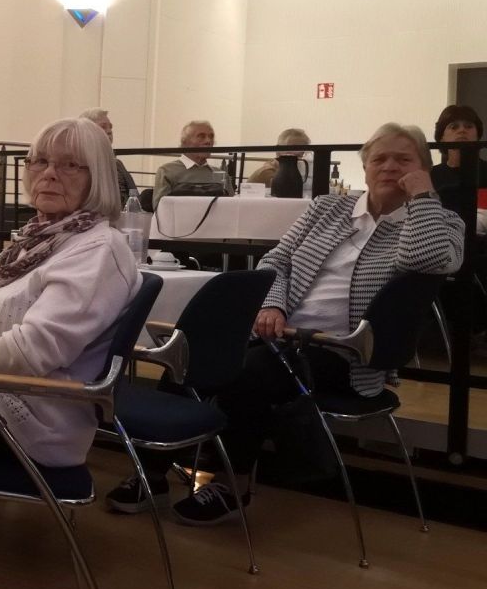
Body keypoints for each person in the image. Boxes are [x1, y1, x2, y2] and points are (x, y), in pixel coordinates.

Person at [112, 123, 464, 525]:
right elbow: (275, 261)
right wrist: (273, 306)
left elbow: (426, 259)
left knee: (250, 373)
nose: (389, 167)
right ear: (365, 167)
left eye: (403, 159)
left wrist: (422, 196)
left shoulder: (442, 222)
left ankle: (231, 485)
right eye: (379, 158)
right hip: (279, 336)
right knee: (192, 353)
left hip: (345, 352)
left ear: (423, 168)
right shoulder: (328, 208)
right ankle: (152, 474)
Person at [0, 117, 138, 469]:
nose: (49, 174)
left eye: (69, 165)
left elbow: (34, 348)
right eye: (40, 161)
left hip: (26, 419)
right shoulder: (39, 239)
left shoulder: (99, 250)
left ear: (97, 176)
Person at [430, 104, 487, 233]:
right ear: (442, 137)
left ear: (477, 135)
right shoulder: (430, 175)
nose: (462, 130)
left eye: (468, 126)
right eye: (454, 127)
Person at [152, 119, 234, 208]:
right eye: (201, 136)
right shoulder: (167, 171)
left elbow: (233, 207)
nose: (208, 141)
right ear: (184, 142)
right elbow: (161, 209)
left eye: (211, 136)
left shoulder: (221, 175)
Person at [80, 107, 138, 205]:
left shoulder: (117, 164)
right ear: (87, 132)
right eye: (103, 127)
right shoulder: (80, 165)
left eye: (110, 127)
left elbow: (135, 196)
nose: (109, 131)